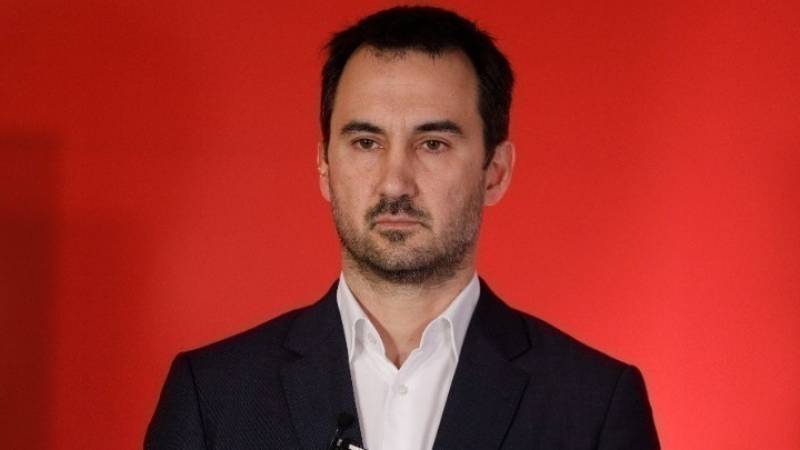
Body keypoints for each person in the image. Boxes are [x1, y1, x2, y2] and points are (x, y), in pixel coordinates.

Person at [146, 6, 660, 450]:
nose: (395, 182)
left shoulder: (593, 406)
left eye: (433, 144)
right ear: (324, 166)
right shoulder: (213, 396)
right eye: (366, 143)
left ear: (495, 172)